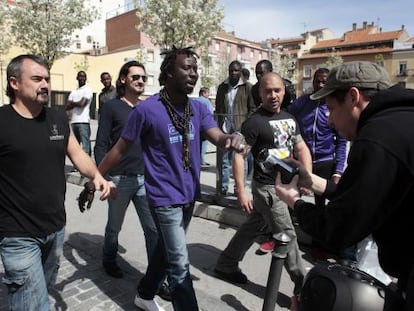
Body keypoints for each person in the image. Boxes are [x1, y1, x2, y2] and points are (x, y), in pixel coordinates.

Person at [81, 47, 247, 311]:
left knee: (163, 250)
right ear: (169, 72)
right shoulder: (146, 110)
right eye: (186, 68)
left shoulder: (198, 108)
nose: (193, 73)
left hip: (189, 195)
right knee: (179, 264)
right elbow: (118, 149)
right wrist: (94, 180)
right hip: (163, 198)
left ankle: (144, 293)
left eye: (195, 69)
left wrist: (231, 140)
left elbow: (217, 136)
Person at [275, 61, 414, 310]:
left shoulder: (376, 139)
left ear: (353, 97)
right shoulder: (401, 119)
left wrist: (295, 202)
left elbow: (338, 230)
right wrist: (319, 184)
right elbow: (368, 197)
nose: (329, 120)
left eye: (331, 108)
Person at [0, 54, 113, 311]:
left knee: (42, 289)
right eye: (37, 79)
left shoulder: (58, 119)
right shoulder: (2, 121)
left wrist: (96, 176)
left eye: (47, 79)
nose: (45, 85)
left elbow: (78, 154)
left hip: (55, 229)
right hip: (17, 235)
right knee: (34, 305)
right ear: (14, 83)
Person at [214, 72, 312, 310]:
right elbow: (239, 156)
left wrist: (306, 176)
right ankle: (305, 290)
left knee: (254, 225)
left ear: (284, 91)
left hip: (285, 186)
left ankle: (226, 264)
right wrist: (241, 190)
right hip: (267, 189)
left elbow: (302, 147)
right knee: (287, 235)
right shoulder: (254, 122)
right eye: (267, 91)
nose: (273, 95)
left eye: (277, 90)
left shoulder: (290, 118)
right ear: (259, 93)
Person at [287, 68, 350, 260]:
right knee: (290, 198)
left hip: (325, 163)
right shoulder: (301, 104)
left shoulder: (333, 108)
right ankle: (286, 239)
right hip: (301, 162)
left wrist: (338, 171)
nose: (321, 85)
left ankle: (320, 245)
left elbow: (341, 143)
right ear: (312, 82)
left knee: (323, 207)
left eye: (325, 82)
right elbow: (286, 120)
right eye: (318, 81)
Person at [215, 60, 255, 195]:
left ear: (240, 71)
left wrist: (246, 127)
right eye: (231, 70)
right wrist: (218, 125)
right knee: (224, 161)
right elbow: (218, 107)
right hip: (225, 128)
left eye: (236, 70)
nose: (233, 73)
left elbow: (252, 109)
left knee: (240, 160)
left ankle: (239, 189)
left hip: (241, 129)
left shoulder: (247, 87)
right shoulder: (222, 87)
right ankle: (223, 188)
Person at [66, 70, 93, 155]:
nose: (81, 78)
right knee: (75, 147)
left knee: (85, 146)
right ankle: (76, 167)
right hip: (73, 121)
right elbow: (67, 106)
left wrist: (72, 103)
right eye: (80, 76)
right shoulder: (74, 91)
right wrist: (76, 103)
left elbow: (82, 104)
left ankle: (87, 166)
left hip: (83, 121)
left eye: (83, 76)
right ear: (77, 78)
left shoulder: (88, 90)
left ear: (86, 78)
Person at [197, 86, 214, 167]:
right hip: (204, 125)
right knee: (204, 143)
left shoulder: (195, 101)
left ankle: (197, 159)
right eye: (208, 93)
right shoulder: (206, 101)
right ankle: (202, 160)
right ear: (204, 93)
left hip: (196, 125)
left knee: (197, 143)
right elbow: (210, 112)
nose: (209, 94)